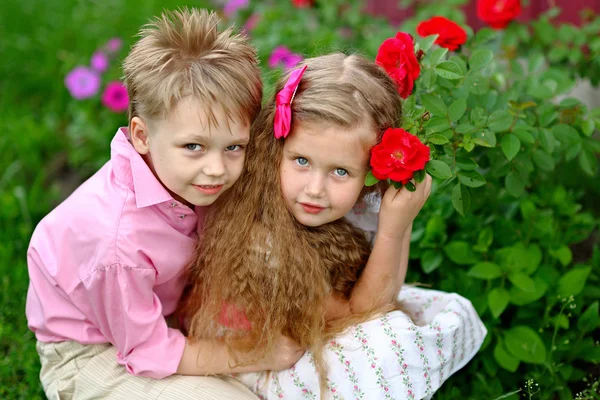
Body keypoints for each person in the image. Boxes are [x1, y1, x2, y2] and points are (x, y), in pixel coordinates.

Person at [179, 52, 487, 399]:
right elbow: (363, 311)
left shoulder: (352, 201)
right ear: (274, 148)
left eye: (340, 171)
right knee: (384, 348)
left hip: (326, 321)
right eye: (301, 161)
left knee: (447, 310)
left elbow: (386, 294)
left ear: (373, 171)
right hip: (261, 358)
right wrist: (394, 229)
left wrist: (395, 222)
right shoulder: (262, 242)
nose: (315, 189)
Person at [25, 8, 286, 400]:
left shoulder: (187, 178)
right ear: (142, 136)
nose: (216, 169)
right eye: (193, 147)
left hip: (158, 313)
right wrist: (254, 354)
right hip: (94, 351)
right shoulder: (119, 242)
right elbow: (146, 350)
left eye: (234, 147)